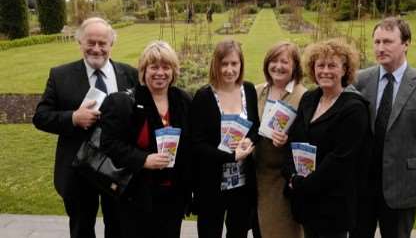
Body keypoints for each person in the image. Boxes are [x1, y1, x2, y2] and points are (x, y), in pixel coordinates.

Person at [33, 17, 138, 238]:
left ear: (112, 44)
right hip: (77, 169)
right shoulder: (60, 75)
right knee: (81, 229)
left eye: (103, 43)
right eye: (90, 42)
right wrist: (73, 118)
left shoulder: (130, 75)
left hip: (117, 167)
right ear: (79, 42)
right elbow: (41, 117)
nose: (97, 49)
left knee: (119, 228)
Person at [351, 17, 416, 238]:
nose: (380, 48)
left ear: (406, 44)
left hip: (402, 185)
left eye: (387, 41)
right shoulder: (359, 81)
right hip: (363, 184)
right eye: (376, 42)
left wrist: (407, 155)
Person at [99, 41, 192, 238]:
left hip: (173, 195)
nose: (160, 73)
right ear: (143, 70)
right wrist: (143, 160)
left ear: (173, 71)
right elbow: (109, 144)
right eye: (154, 67)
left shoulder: (183, 100)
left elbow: (191, 143)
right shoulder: (124, 102)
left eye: (166, 67)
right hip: (137, 195)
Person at [284, 39, 370, 238]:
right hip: (306, 202)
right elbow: (293, 142)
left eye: (332, 65)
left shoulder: (354, 108)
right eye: (320, 65)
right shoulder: (309, 99)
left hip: (333, 205)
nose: (325, 71)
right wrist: (291, 175)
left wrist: (301, 184)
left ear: (344, 70)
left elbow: (340, 160)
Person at [191, 38, 259, 238]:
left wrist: (250, 141)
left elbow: (255, 128)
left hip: (243, 183)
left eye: (234, 63)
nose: (229, 69)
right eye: (224, 64)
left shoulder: (248, 90)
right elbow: (197, 143)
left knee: (238, 232)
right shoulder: (204, 97)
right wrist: (230, 156)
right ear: (216, 65)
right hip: (212, 184)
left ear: (241, 64)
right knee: (210, 232)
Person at [255, 42, 307, 238]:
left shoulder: (303, 96)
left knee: (281, 231)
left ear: (295, 66)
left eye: (284, 61)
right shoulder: (257, 91)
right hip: (255, 175)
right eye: (273, 61)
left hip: (281, 179)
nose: (278, 66)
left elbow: (308, 138)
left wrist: (288, 139)